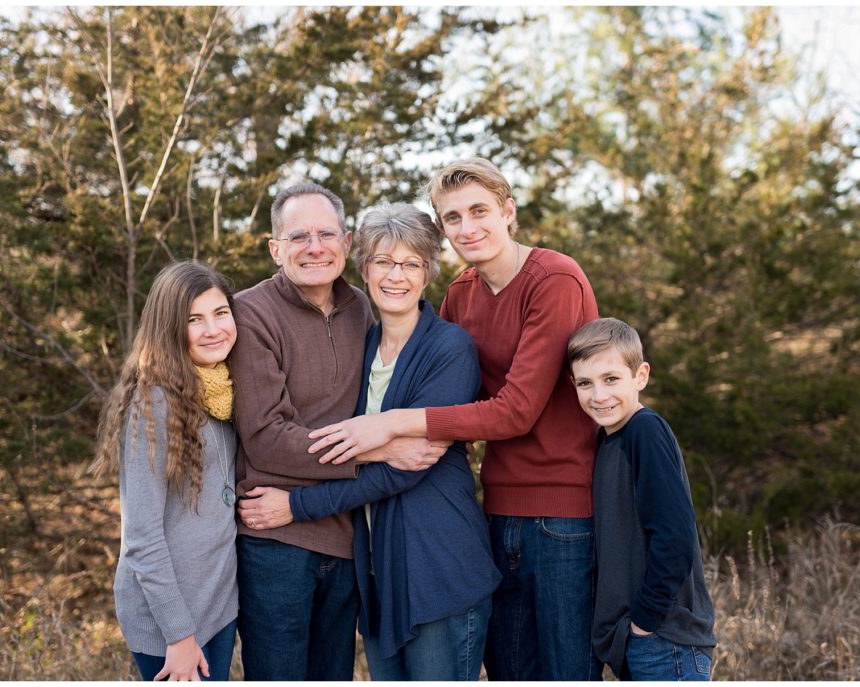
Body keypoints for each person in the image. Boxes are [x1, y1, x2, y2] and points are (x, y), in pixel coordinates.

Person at [308, 158, 603, 680]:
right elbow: (447, 394)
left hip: (563, 514)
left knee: (565, 671)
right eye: (452, 218)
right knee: (510, 669)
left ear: (508, 211)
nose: (468, 228)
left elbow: (516, 410)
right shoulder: (461, 295)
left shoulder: (555, 279)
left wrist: (394, 424)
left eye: (479, 211)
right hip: (496, 509)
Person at [247, 203, 502, 680]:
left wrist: (297, 506)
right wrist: (381, 444)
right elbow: (369, 451)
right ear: (363, 267)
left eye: (411, 264)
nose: (396, 276)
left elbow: (404, 469)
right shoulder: (362, 345)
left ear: (429, 272)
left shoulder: (450, 349)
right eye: (384, 261)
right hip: (380, 572)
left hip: (436, 565)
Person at [92, 261, 239, 681]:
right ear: (169, 327)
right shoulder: (154, 402)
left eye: (220, 313)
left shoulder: (221, 390)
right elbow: (141, 538)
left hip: (217, 606)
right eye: (194, 319)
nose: (212, 329)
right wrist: (178, 636)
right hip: (170, 623)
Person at [567, 317, 716, 681]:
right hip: (639, 641)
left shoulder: (644, 431)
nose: (599, 395)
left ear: (641, 376)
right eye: (586, 383)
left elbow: (675, 536)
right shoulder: (608, 439)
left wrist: (644, 622)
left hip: (665, 639)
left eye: (611, 379)